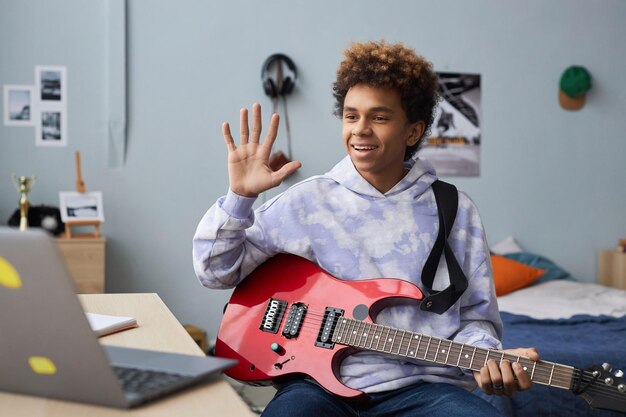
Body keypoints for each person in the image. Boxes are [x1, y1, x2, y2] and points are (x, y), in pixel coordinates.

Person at [193, 40, 539, 417]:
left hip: (428, 390)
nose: (360, 130)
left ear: (412, 131)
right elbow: (214, 273)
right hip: (317, 387)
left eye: (379, 117)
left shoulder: (455, 209)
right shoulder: (307, 201)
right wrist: (238, 197)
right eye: (351, 115)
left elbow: (475, 317)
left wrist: (487, 359)